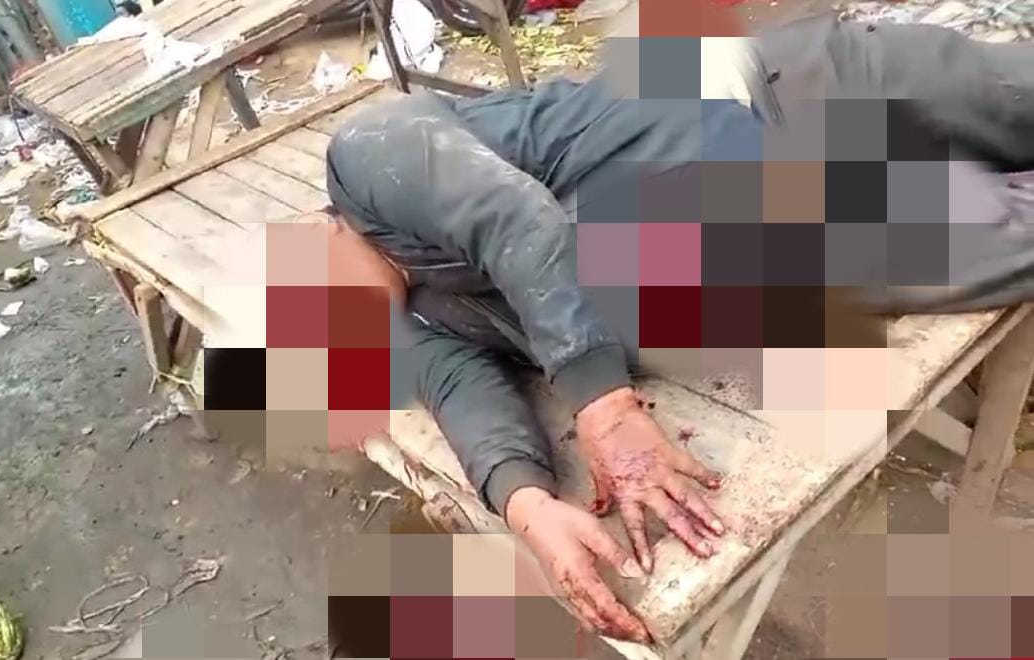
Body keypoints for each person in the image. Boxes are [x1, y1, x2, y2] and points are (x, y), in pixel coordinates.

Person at [323, 11, 1034, 642]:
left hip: (798, 92)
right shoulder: (412, 315)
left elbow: (517, 222)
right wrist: (529, 508)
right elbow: (459, 391)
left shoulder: (367, 155)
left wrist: (605, 407)